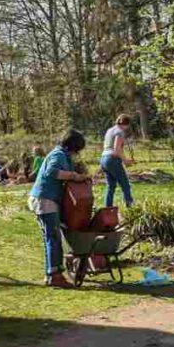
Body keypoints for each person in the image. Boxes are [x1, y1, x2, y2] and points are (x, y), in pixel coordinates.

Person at [29, 129, 89, 288]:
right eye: (77, 149)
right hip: (45, 199)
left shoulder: (62, 155)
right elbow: (52, 172)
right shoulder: (58, 155)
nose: (77, 153)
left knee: (51, 237)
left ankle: (51, 274)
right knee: (53, 237)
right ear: (72, 146)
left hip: (47, 199)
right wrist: (74, 176)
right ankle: (55, 276)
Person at [100, 114, 135, 208]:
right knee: (125, 185)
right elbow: (116, 150)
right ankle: (130, 208)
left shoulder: (110, 130)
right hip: (112, 159)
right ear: (126, 124)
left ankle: (107, 209)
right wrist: (125, 161)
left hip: (103, 158)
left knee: (110, 186)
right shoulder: (120, 132)